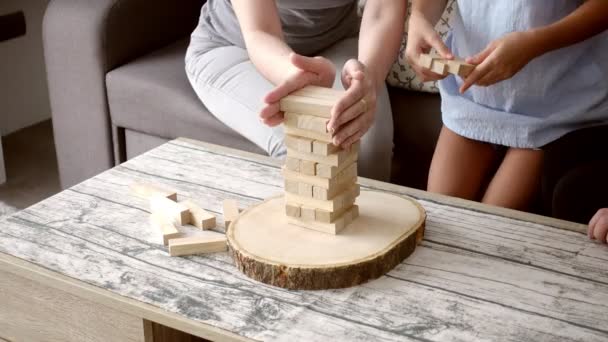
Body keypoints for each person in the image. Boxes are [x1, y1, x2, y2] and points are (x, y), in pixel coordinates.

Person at [405, 0, 608, 214]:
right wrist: (419, 17)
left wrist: (534, 43)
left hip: (555, 104)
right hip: (472, 98)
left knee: (492, 232)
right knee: (440, 218)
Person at [185, 0, 406, 181]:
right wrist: (297, 75)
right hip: (234, 47)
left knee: (370, 150)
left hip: (337, 41)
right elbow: (261, 32)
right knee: (305, 148)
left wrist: (368, 81)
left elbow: (382, 11)